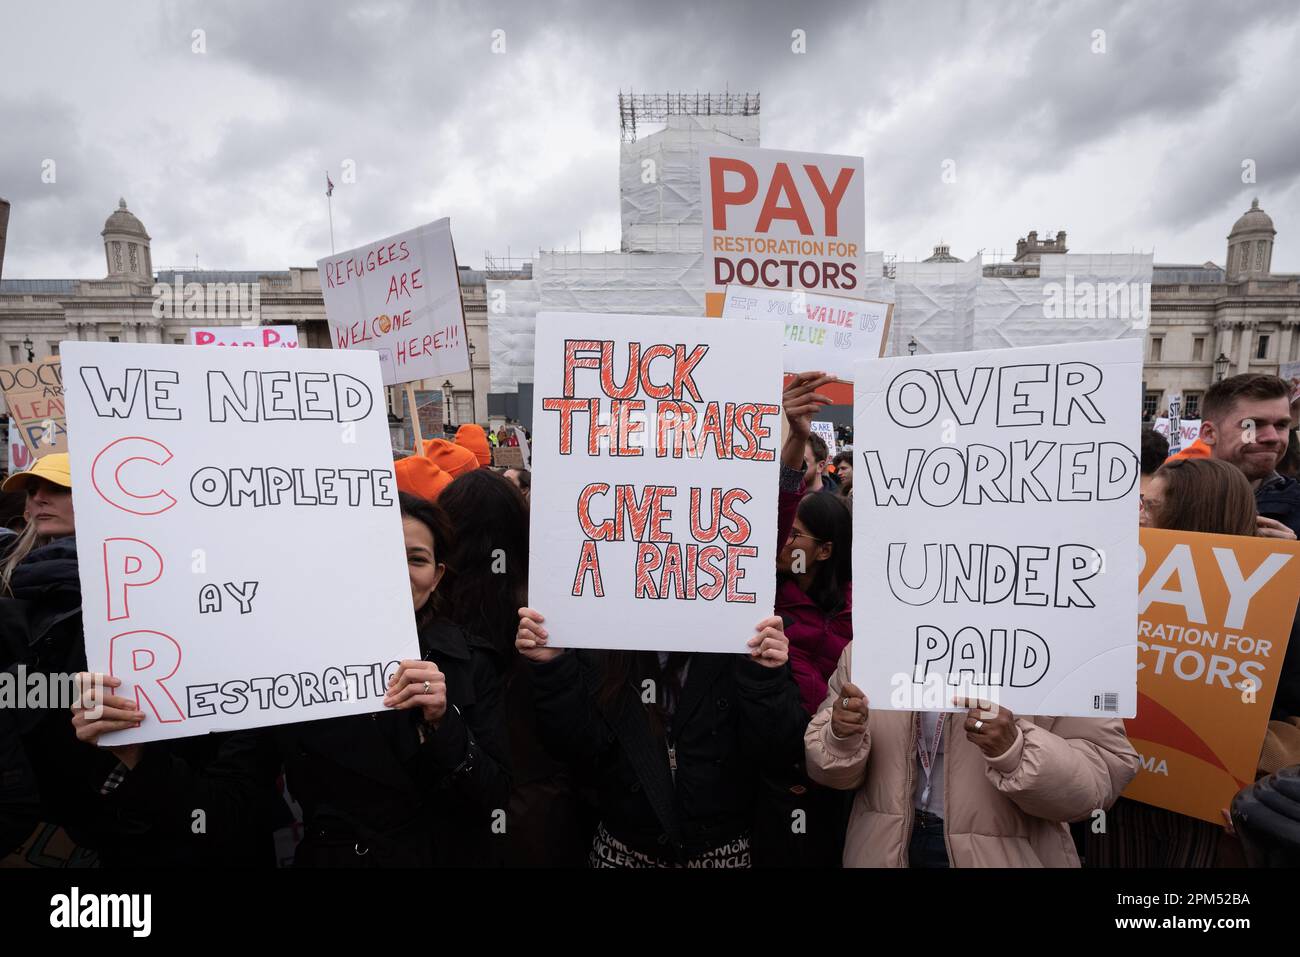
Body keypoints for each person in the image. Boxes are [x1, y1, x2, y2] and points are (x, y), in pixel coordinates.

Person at [1, 455, 280, 866]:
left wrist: (132, 751)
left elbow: (229, 788)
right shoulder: (15, 595)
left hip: (175, 825)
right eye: (32, 490)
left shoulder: (194, 602)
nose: (40, 498)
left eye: (60, 488)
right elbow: (23, 702)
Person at [516, 608, 807, 868]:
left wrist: (765, 678)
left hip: (723, 850)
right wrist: (553, 667)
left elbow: (780, 751)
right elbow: (572, 747)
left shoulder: (747, 636)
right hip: (624, 849)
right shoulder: (599, 643)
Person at [806, 646, 1139, 867]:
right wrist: (841, 735)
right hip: (882, 850)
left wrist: (1016, 752)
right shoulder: (877, 641)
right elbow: (826, 768)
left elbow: (1099, 780)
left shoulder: (1056, 643)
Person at [1196, 373, 1300, 539]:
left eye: (1281, 425)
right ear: (1209, 433)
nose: (1272, 437)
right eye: (1253, 425)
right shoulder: (1167, 499)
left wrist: (1291, 560)